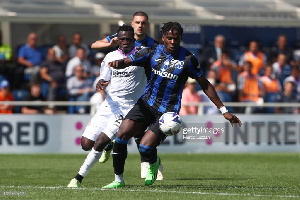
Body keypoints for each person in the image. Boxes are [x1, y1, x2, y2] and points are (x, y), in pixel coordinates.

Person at [102, 22, 241, 189]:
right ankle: (119, 180)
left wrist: (223, 110)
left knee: (145, 147)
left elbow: (205, 84)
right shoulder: (152, 51)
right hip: (146, 104)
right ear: (163, 38)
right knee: (122, 134)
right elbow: (129, 59)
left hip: (167, 113)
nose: (173, 42)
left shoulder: (188, 59)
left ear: (180, 39)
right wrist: (119, 63)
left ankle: (154, 162)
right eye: (169, 38)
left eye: (176, 39)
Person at [67, 25, 149, 188]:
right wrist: (101, 83)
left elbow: (150, 53)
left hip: (127, 108)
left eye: (128, 39)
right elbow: (104, 77)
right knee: (85, 144)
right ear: (117, 40)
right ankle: (108, 146)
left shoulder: (142, 55)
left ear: (133, 39)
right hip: (109, 104)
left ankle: (77, 178)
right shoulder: (110, 56)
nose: (125, 42)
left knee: (100, 141)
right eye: (121, 39)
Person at [91, 11, 162, 179]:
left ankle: (150, 165)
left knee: (140, 134)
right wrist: (110, 43)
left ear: (148, 25)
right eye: (137, 22)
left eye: (143, 23)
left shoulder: (152, 44)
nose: (140, 25)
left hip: (142, 93)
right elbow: (94, 45)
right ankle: (111, 146)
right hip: (118, 96)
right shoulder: (121, 37)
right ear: (132, 23)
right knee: (128, 132)